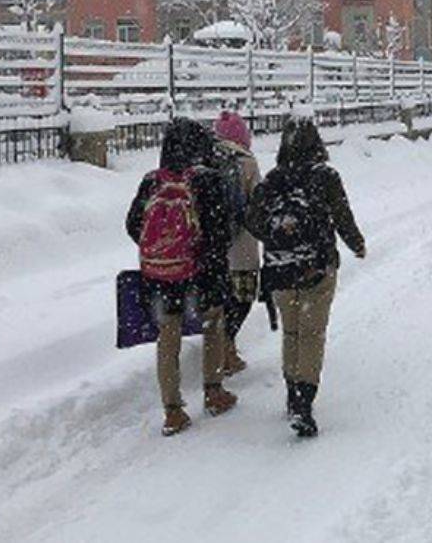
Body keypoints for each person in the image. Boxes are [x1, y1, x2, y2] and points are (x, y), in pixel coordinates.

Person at [246, 115, 366, 438]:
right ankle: (304, 401)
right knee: (312, 335)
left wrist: (278, 234)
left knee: (292, 333)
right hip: (317, 268)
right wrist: (357, 244)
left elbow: (253, 221)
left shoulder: (271, 180)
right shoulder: (325, 177)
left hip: (280, 269)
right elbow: (342, 216)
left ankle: (291, 392)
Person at [126, 118, 237, 437]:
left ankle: (172, 411)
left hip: (159, 275)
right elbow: (220, 231)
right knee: (213, 324)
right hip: (201, 272)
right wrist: (201, 257)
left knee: (168, 336)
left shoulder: (151, 181)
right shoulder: (207, 180)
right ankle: (214, 392)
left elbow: (133, 224)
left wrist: (162, 249)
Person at [214, 111, 262, 375]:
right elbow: (258, 201)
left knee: (219, 298)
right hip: (241, 243)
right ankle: (227, 347)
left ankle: (219, 348)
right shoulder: (246, 162)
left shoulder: (206, 158)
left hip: (213, 244)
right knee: (242, 297)